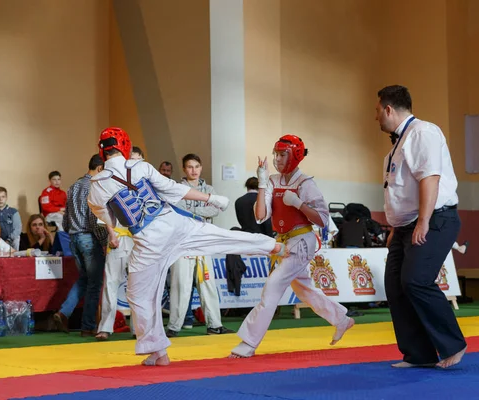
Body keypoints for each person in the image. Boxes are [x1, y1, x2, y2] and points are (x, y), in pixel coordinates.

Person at [87, 127, 284, 366]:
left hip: (147, 239)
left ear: (102, 151)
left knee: (138, 295)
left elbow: (111, 220)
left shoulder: (96, 185)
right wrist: (211, 199)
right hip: (173, 222)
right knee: (218, 237)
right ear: (125, 145)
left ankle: (157, 351)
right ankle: (272, 245)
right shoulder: (141, 167)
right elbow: (173, 190)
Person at [229, 134, 354, 359]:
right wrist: (262, 183)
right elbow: (260, 216)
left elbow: (323, 220)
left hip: (302, 241)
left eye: (282, 154)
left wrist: (299, 204)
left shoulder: (306, 183)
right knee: (303, 289)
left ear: (295, 155)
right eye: (275, 154)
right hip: (285, 242)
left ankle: (248, 342)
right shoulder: (274, 181)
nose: (277, 159)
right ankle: (341, 319)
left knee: (273, 286)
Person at [377, 85, 466, 369]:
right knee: (395, 286)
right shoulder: (396, 146)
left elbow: (430, 178)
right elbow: (399, 190)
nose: (375, 117)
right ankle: (419, 354)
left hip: (435, 218)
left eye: (377, 110)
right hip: (404, 225)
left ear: (389, 109)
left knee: (416, 280)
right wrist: (394, 226)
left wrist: (424, 221)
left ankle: (453, 345)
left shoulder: (422, 133)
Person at [167, 153, 234, 337]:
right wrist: (201, 209)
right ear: (184, 169)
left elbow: (216, 208)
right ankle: (174, 326)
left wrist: (193, 209)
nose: (193, 170)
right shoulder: (178, 188)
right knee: (181, 285)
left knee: (208, 284)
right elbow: (178, 210)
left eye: (196, 166)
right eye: (190, 167)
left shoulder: (209, 188)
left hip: (203, 242)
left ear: (201, 167)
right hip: (184, 243)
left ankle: (214, 324)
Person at [52, 156, 108, 337]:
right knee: (94, 284)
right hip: (88, 238)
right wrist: (103, 239)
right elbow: (93, 218)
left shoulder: (74, 185)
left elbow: (66, 217)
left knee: (83, 279)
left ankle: (64, 312)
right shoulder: (93, 186)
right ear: (99, 168)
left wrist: (70, 232)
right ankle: (88, 325)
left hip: (73, 237)